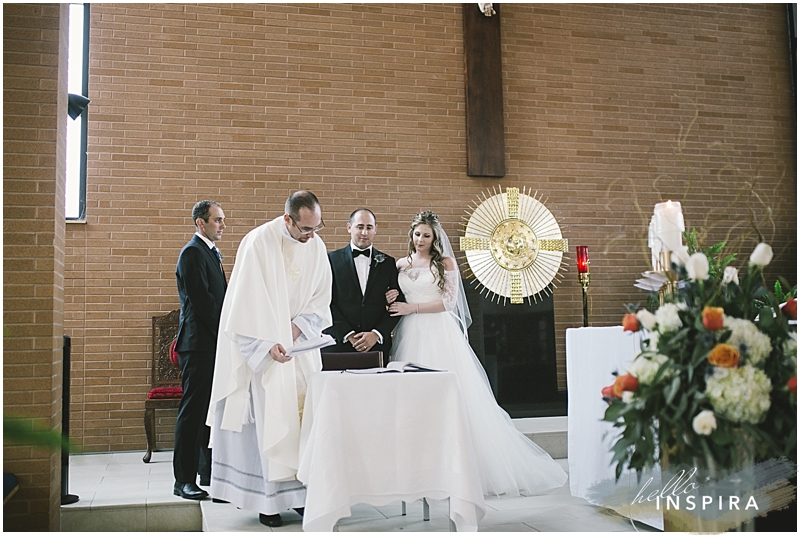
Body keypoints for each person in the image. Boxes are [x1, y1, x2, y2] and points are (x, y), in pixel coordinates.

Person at [386, 211, 568, 497]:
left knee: (453, 397)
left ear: (435, 239)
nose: (420, 240)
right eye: (417, 234)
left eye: (426, 235)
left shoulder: (444, 263)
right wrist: (394, 298)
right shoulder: (400, 264)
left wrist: (413, 308)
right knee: (415, 399)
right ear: (411, 234)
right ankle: (422, 468)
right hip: (409, 332)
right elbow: (394, 292)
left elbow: (448, 302)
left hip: (437, 331)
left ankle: (463, 469)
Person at [206, 191, 332, 527]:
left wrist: (298, 326)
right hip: (264, 353)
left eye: (317, 227)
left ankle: (302, 496)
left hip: (300, 349)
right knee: (270, 424)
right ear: (288, 219)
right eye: (306, 229)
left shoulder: (316, 246)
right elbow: (242, 306)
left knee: (305, 424)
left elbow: (321, 298)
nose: (312, 236)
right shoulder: (258, 242)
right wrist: (266, 345)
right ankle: (268, 503)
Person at [173, 200, 228, 500]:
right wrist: (228, 330)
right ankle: (183, 479)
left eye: (222, 220)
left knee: (210, 412)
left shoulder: (211, 253)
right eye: (217, 220)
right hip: (198, 345)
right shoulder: (192, 253)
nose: (222, 225)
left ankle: (207, 473)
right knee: (193, 413)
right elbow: (204, 303)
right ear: (200, 223)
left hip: (212, 344)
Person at [323, 208, 403, 360]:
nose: (364, 232)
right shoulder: (330, 260)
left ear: (375, 229)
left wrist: (376, 334)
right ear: (349, 227)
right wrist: (349, 335)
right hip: (338, 344)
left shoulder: (388, 263)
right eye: (360, 227)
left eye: (369, 227)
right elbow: (324, 301)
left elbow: (398, 304)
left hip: (376, 346)